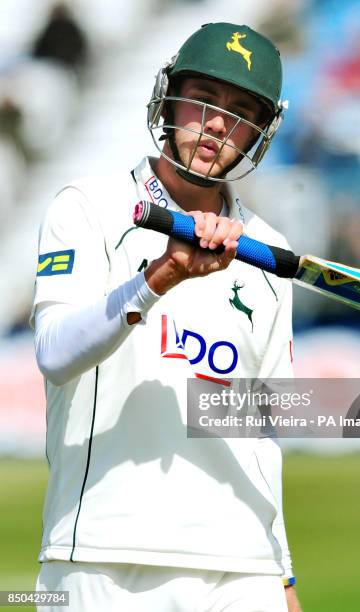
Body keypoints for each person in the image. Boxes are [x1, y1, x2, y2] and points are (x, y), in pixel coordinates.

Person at [31, 22, 302, 612]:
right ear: (168, 97)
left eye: (240, 110)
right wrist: (160, 278)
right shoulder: (89, 207)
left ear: (260, 131)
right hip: (102, 551)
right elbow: (54, 353)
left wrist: (281, 575)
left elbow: (257, 429)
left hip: (241, 565)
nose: (216, 124)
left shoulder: (269, 250)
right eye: (203, 98)